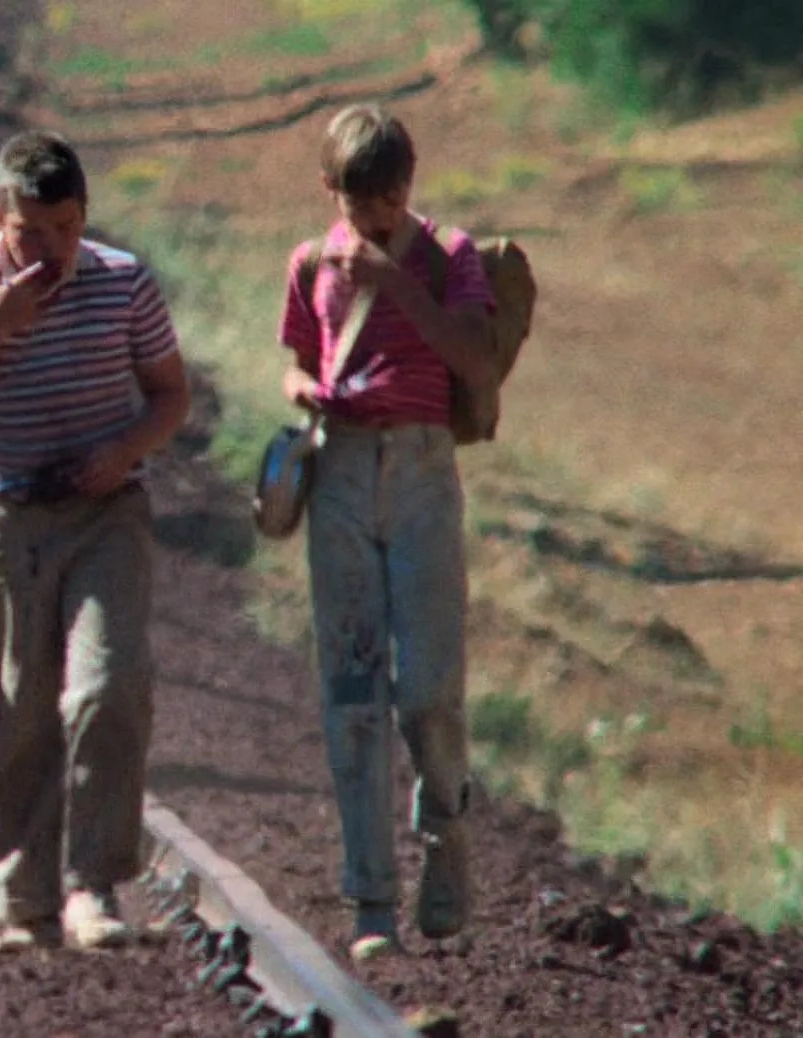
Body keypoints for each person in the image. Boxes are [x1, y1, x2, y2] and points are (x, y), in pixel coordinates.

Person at [0, 130, 191, 956]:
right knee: (24, 715)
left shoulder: (123, 281)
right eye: (33, 232)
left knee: (107, 689)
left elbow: (170, 396)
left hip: (107, 516)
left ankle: (92, 885)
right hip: (6, 523)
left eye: (67, 228)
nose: (53, 248)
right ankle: (26, 904)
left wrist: (125, 450)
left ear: (84, 216)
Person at [276, 103, 494, 958]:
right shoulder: (309, 263)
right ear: (329, 190)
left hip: (421, 473)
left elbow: (472, 357)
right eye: (359, 202)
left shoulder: (449, 256)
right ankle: (371, 900)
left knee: (431, 689)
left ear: (410, 185)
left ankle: (446, 835)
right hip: (342, 470)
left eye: (391, 200)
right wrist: (303, 391)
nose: (376, 217)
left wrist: (395, 280)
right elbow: (300, 360)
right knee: (352, 692)